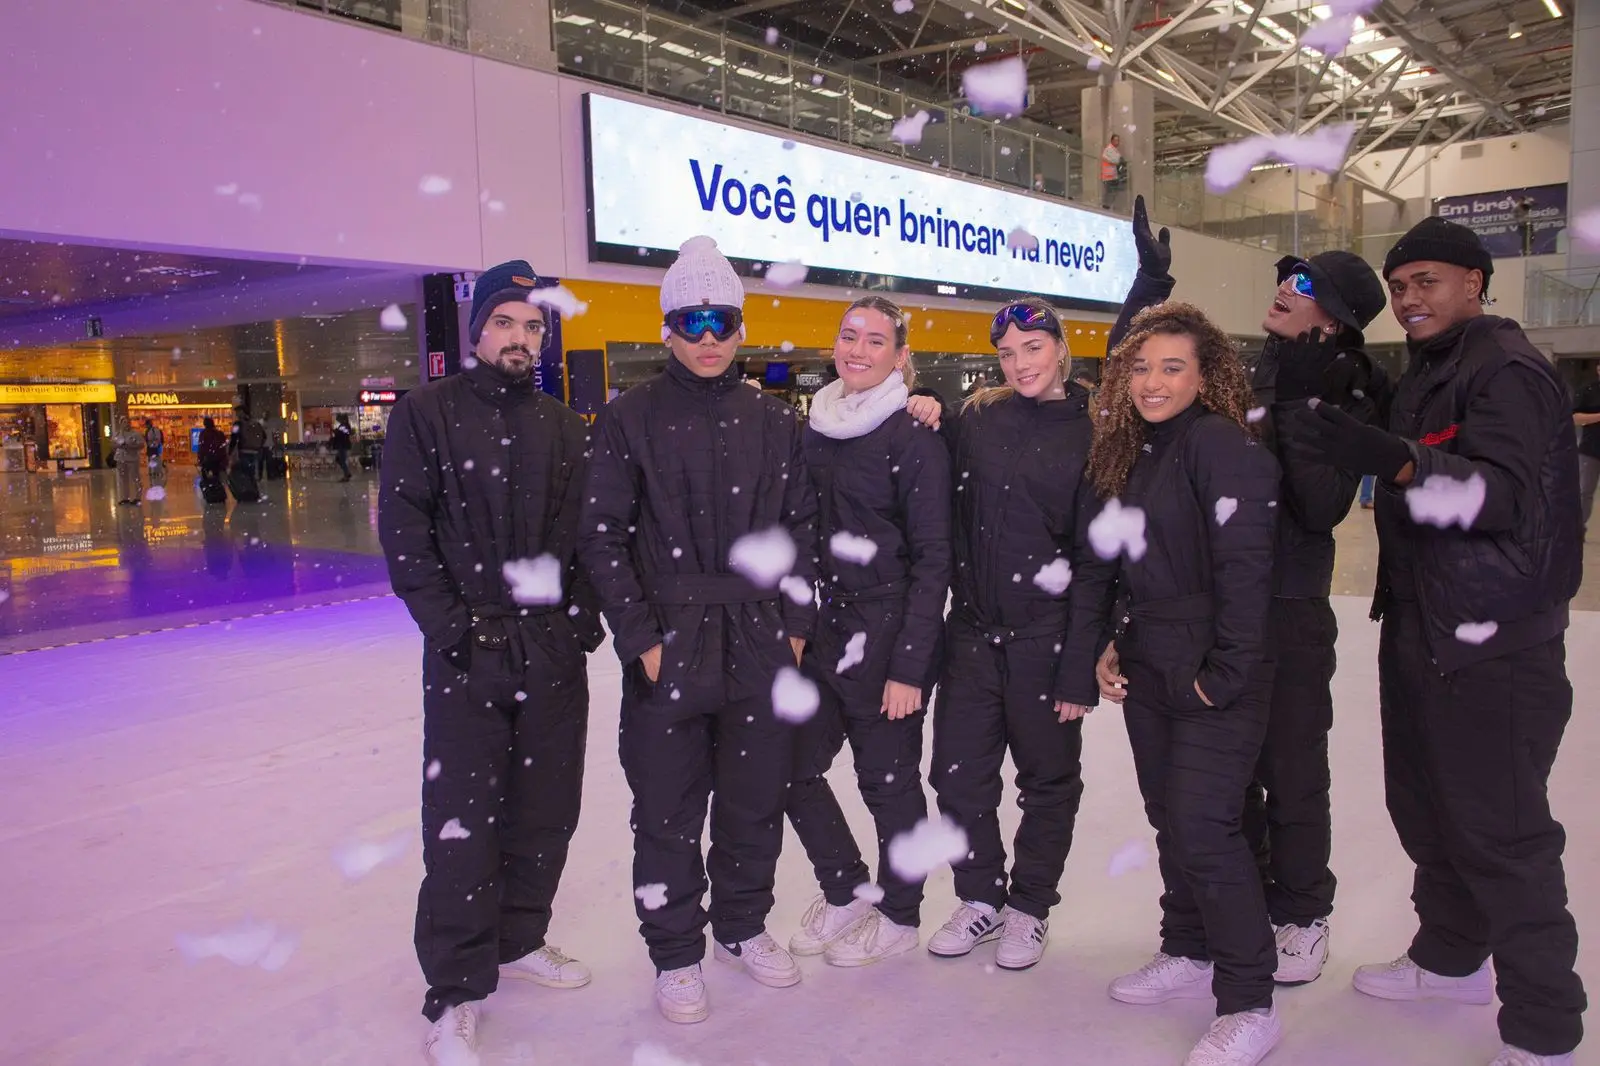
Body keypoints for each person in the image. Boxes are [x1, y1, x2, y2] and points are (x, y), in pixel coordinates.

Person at [1281, 216, 1586, 1066]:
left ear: (1475, 283)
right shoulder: (1430, 370)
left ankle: (1544, 1028)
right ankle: (1452, 958)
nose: (1411, 298)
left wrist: (1404, 460)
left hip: (1496, 644)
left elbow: (1506, 500)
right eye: (1401, 285)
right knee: (1426, 809)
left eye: (1429, 282)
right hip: (1424, 626)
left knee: (1502, 833)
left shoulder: (1508, 369)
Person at [1106, 194, 1392, 985]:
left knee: (1292, 767)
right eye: (1289, 274)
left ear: (1332, 318)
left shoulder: (1344, 385)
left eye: (1305, 284)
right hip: (1214, 606)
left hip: (1289, 609)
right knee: (1213, 787)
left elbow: (1321, 505)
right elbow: (1139, 375)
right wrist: (1149, 290)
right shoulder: (1251, 371)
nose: (1286, 285)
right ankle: (1226, 917)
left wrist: (1301, 408)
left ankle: (1300, 913)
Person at [578, 236, 819, 1024]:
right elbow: (602, 536)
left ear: (741, 327)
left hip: (758, 640)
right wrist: (641, 638)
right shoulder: (628, 418)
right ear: (668, 328)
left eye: (722, 319)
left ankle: (742, 927)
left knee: (754, 800)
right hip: (671, 644)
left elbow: (801, 530)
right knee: (667, 809)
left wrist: (794, 627)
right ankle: (676, 951)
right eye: (693, 319)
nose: (709, 336)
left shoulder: (776, 422)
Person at [378, 259, 603, 1066]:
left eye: (532, 327)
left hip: (549, 650)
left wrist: (576, 624)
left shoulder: (566, 426)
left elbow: (588, 537)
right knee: (465, 823)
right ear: (478, 334)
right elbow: (407, 536)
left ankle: (520, 939)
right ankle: (457, 989)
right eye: (505, 324)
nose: (519, 338)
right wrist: (453, 633)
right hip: (469, 649)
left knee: (546, 809)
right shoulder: (427, 415)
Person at [1065, 301, 1282, 1066]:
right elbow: (1131, 562)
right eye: (1140, 366)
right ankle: (1187, 947)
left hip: (1212, 672)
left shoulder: (1221, 445)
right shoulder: (1133, 450)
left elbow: (1248, 571)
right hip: (1153, 659)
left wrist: (1221, 675)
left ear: (1206, 374)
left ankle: (1250, 998)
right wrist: (1113, 642)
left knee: (1205, 827)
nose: (1152, 382)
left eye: (1172, 367)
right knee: (1172, 819)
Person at [902, 298, 1099, 973]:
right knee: (957, 777)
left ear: (1060, 348)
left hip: (1047, 637)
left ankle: (1029, 908)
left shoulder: (1093, 429)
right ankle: (980, 896)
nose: (1021, 364)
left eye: (1034, 349)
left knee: (1047, 782)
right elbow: (936, 453)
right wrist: (926, 400)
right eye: (1009, 353)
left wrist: (1079, 665)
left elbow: (1100, 561)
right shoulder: (981, 418)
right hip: (974, 633)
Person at [783, 297, 952, 967]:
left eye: (875, 341)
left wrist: (909, 666)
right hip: (826, 626)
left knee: (888, 782)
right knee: (791, 766)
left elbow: (934, 557)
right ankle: (848, 887)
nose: (858, 349)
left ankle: (902, 912)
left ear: (900, 358)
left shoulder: (913, 437)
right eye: (850, 335)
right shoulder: (817, 426)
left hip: (888, 628)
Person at [1574, 362, 1600, 532]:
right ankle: (1577, 528)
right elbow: (1575, 417)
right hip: (1591, 450)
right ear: (1598, 369)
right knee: (1585, 492)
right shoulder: (1588, 390)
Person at [111, 417, 145, 505]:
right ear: (121, 423)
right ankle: (125, 498)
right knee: (123, 479)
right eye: (123, 422)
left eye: (127, 422)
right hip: (121, 459)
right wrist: (118, 446)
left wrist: (131, 447)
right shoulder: (117, 434)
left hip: (132, 459)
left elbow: (141, 445)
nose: (126, 424)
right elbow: (113, 444)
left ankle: (137, 497)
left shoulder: (135, 434)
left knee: (135, 478)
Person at [197, 417, 228, 502]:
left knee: (206, 477)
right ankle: (219, 494)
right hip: (218, 459)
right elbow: (223, 447)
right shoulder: (219, 433)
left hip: (208, 459)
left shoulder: (203, 434)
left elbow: (202, 448)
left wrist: (200, 459)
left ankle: (210, 494)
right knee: (217, 477)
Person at [1101, 133, 1126, 211]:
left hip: (1113, 175)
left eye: (1118, 140)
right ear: (1111, 140)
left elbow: (1118, 160)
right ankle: (1106, 209)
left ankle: (1108, 208)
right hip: (1108, 176)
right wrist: (1117, 161)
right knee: (1109, 193)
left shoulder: (1115, 150)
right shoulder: (1109, 149)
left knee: (1112, 193)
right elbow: (1113, 160)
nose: (1117, 142)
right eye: (1115, 140)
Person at [330, 413, 355, 481]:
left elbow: (341, 433)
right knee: (339, 459)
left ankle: (346, 474)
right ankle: (347, 473)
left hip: (342, 445)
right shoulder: (344, 425)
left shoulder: (344, 426)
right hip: (343, 444)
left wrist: (335, 431)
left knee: (341, 460)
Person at [143, 419, 166, 487]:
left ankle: (152, 481)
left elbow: (146, 441)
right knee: (157, 464)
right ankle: (158, 478)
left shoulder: (147, 431)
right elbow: (162, 441)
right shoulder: (158, 430)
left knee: (152, 465)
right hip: (157, 450)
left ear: (147, 425)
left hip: (150, 451)